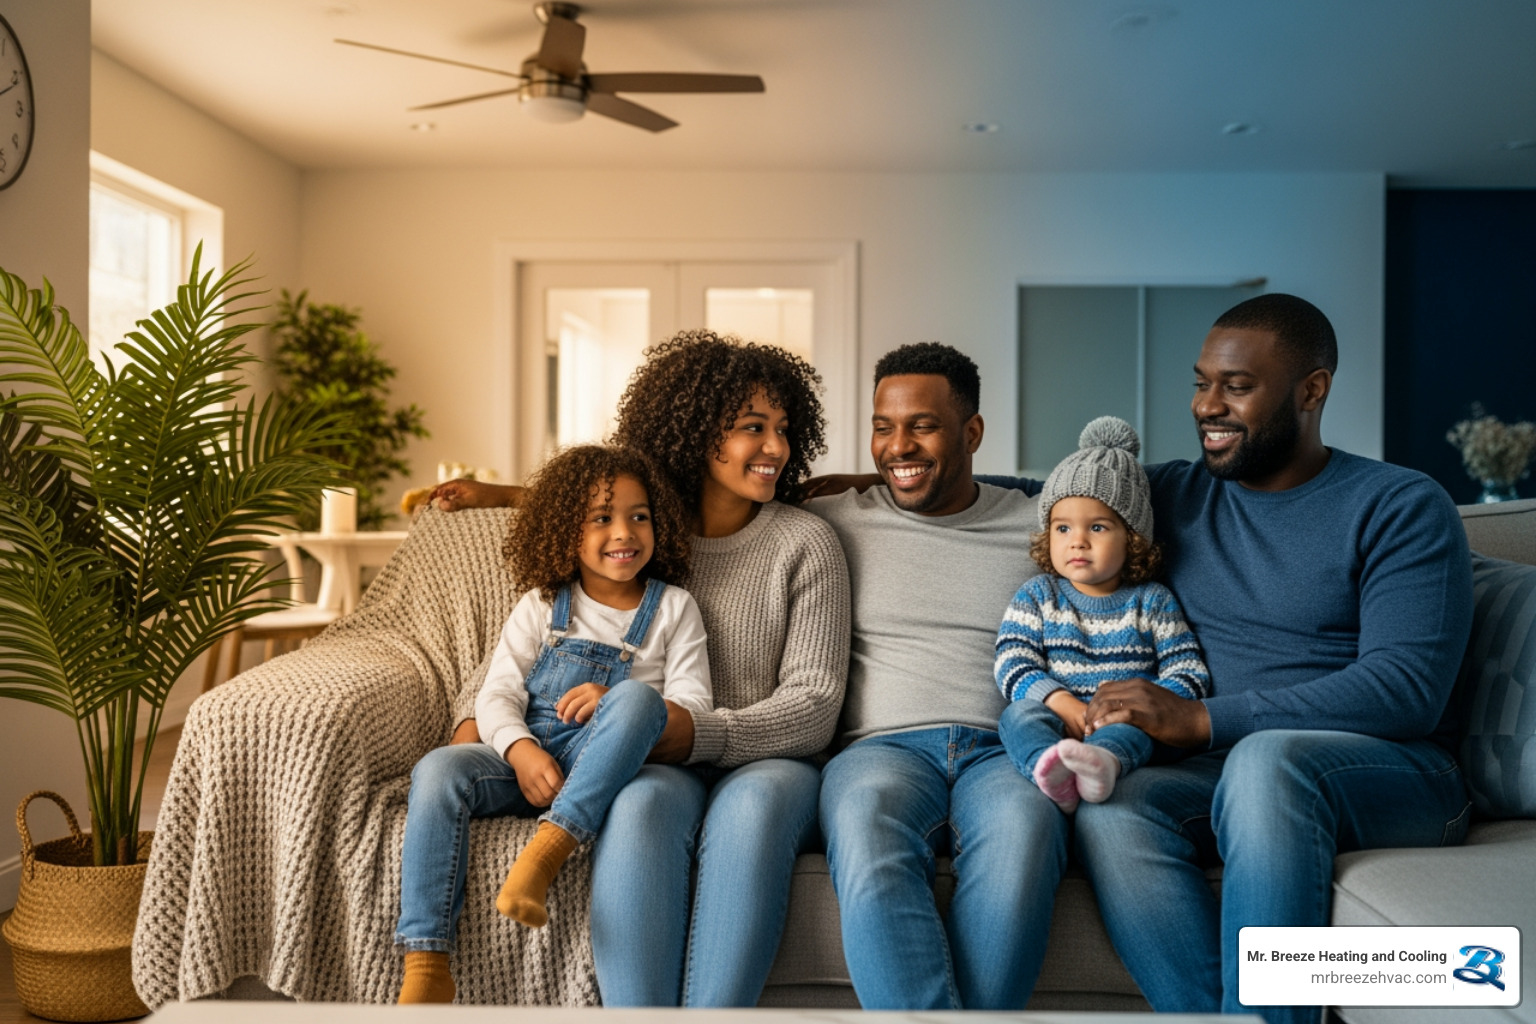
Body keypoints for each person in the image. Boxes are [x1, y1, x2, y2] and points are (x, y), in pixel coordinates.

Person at [985, 294, 1473, 1024]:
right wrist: (867, 489)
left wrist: (1202, 718)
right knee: (1112, 805)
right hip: (1223, 770)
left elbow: (1406, 691)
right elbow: (1052, 491)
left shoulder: (1399, 504)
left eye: (1237, 386)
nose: (1206, 405)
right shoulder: (1176, 492)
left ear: (1312, 390)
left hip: (1391, 770)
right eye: (1201, 381)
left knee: (1267, 761)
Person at [431, 330, 851, 1007]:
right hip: (652, 764)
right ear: (690, 433)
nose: (775, 448)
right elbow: (519, 653)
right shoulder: (637, 535)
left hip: (766, 759)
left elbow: (814, 703)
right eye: (752, 428)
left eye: (783, 429)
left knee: (753, 808)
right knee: (643, 804)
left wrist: (696, 733)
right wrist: (483, 735)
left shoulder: (805, 543)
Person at [394, 445, 712, 1004]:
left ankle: (547, 851)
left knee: (640, 700)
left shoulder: (673, 608)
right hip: (529, 757)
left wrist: (614, 696)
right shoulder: (541, 606)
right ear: (566, 531)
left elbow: (694, 704)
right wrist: (519, 751)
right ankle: (425, 965)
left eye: (640, 516)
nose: (625, 532)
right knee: (440, 768)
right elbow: (496, 694)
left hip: (604, 760)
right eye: (602, 518)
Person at [806, 341, 1059, 1010]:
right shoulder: (835, 518)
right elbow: (682, 499)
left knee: (1027, 834)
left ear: (972, 432)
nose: (897, 445)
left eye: (921, 424)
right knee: (865, 823)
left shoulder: (1043, 525)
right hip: (880, 751)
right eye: (883, 426)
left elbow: (1133, 492)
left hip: (1006, 749)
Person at [995, 415, 1209, 812]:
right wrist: (1061, 703)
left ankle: (1104, 765)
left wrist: (1143, 709)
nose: (1077, 540)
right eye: (1062, 528)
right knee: (1017, 716)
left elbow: (1189, 673)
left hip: (1124, 724)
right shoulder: (1039, 595)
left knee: (1135, 733)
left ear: (1132, 538)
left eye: (1096, 527)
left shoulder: (1152, 601)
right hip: (1057, 717)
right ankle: (1051, 772)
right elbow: (1012, 661)